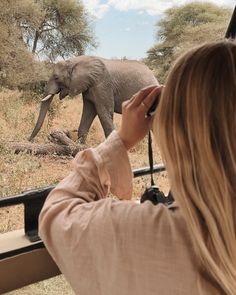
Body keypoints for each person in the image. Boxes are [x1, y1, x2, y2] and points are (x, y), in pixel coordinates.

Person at [39, 41, 236, 295]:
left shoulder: (144, 234)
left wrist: (120, 140)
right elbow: (89, 116)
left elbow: (56, 211)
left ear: (170, 126)